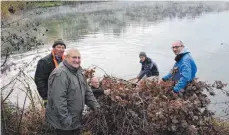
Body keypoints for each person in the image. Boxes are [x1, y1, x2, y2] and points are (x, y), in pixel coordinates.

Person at [46, 48, 100, 135]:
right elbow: (58, 100)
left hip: (75, 120)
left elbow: (87, 91)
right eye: (74, 57)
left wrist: (96, 106)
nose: (77, 60)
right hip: (63, 123)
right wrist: (67, 121)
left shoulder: (78, 71)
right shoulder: (60, 74)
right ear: (66, 58)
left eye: (79, 58)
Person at [34, 39, 66, 107]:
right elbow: (39, 80)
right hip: (51, 95)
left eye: (63, 47)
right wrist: (45, 97)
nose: (61, 49)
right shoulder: (44, 61)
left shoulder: (66, 60)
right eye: (59, 47)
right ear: (54, 48)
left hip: (63, 93)